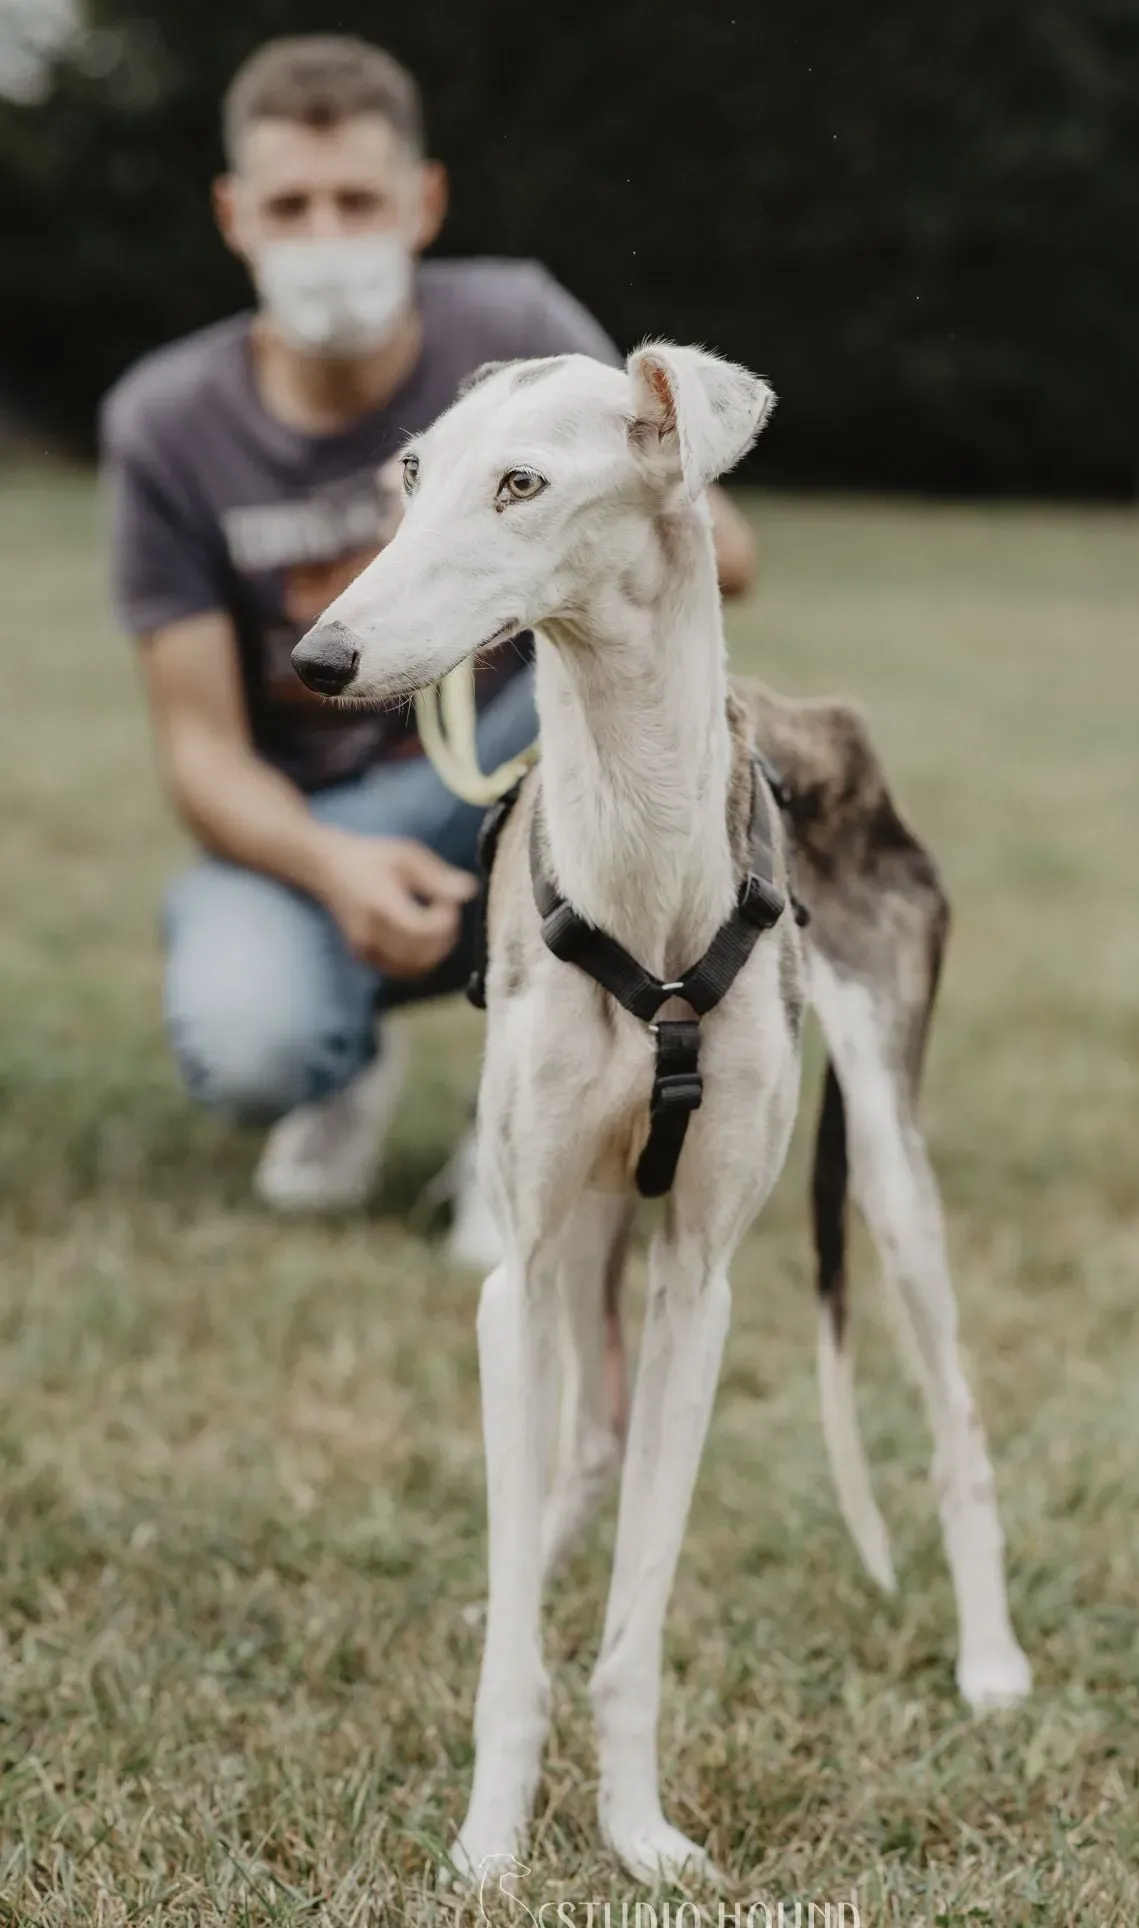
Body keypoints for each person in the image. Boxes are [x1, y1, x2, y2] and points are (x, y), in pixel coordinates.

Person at [99, 34, 759, 1221]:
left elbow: (714, 547)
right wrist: (330, 862)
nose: (326, 233)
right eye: (290, 203)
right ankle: (341, 1067)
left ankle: (529, 1097)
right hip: (310, 812)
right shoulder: (163, 419)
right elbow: (196, 748)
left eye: (357, 198)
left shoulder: (509, 320)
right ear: (231, 214)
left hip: (514, 753)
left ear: (424, 201)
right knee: (251, 1045)